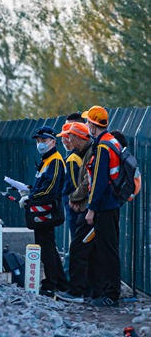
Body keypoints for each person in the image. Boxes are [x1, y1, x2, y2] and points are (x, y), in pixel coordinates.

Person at [81, 105, 123, 307]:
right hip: (111, 204)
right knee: (108, 248)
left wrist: (91, 208)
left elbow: (99, 180)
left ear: (93, 125)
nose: (87, 125)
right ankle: (107, 291)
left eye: (88, 122)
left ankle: (111, 294)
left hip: (104, 206)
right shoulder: (111, 141)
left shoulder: (103, 147)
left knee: (107, 250)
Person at [20, 125, 68, 297]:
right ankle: (61, 282)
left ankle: (50, 284)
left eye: (44, 140)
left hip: (47, 209)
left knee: (46, 247)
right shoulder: (46, 161)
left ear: (53, 141)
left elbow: (51, 189)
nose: (40, 143)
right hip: (42, 208)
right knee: (48, 246)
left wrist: (31, 197)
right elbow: (43, 185)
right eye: (38, 141)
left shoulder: (55, 160)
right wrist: (30, 190)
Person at [57, 121, 97, 304]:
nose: (68, 139)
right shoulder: (84, 153)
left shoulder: (76, 157)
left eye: (71, 136)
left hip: (83, 209)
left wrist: (73, 198)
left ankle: (77, 290)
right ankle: (87, 289)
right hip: (84, 208)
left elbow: (82, 183)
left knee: (78, 248)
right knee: (85, 248)